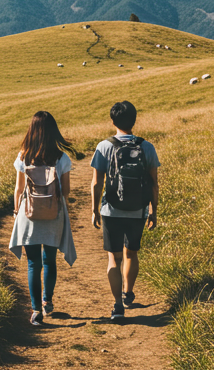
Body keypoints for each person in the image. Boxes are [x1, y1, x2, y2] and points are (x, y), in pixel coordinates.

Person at [90, 100, 160, 321]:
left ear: (113, 121)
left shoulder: (104, 146)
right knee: (132, 253)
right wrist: (153, 210)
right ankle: (128, 293)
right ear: (134, 120)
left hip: (111, 210)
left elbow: (95, 183)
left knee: (114, 258)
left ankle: (117, 306)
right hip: (137, 210)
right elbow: (154, 183)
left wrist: (94, 210)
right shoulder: (146, 147)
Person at [8, 110, 76, 325]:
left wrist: (16, 212)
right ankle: (48, 302)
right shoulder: (61, 157)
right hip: (53, 213)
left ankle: (35, 309)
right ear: (53, 131)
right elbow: (66, 192)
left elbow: (19, 190)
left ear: (32, 130)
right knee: (49, 261)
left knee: (33, 264)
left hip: (28, 214)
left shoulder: (23, 156)